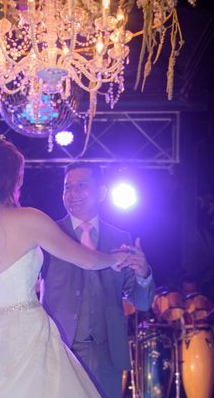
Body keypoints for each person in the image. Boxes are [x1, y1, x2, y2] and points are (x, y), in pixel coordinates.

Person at [0, 129, 131, 397]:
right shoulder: (28, 220)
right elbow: (86, 260)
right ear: (10, 178)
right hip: (26, 334)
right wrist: (115, 258)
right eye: (20, 176)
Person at [40, 162, 156, 398]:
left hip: (106, 355)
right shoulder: (48, 233)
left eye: (81, 185)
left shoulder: (120, 238)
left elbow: (141, 303)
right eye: (67, 187)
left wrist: (143, 273)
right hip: (60, 349)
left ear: (101, 192)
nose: (72, 194)